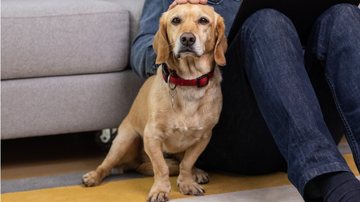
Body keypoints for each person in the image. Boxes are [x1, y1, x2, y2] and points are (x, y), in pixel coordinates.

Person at [130, 0, 360, 201]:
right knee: (267, 22)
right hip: (237, 133)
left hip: (310, 120)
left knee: (344, 15)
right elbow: (140, 52)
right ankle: (334, 186)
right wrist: (183, 45)